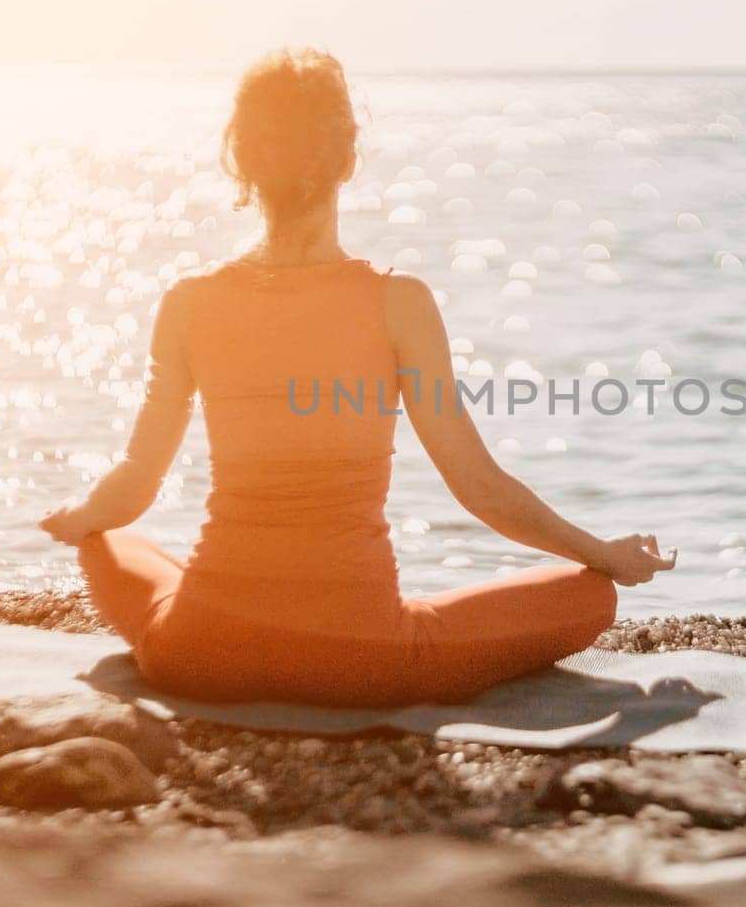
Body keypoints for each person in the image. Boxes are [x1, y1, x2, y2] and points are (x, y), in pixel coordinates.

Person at [39, 48, 676, 706]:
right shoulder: (399, 304)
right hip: (366, 662)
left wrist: (79, 516)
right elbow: (479, 486)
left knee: (107, 539)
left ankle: (191, 592)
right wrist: (603, 553)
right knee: (591, 595)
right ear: (347, 159)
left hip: (200, 652)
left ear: (243, 163)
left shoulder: (190, 303)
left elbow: (134, 488)